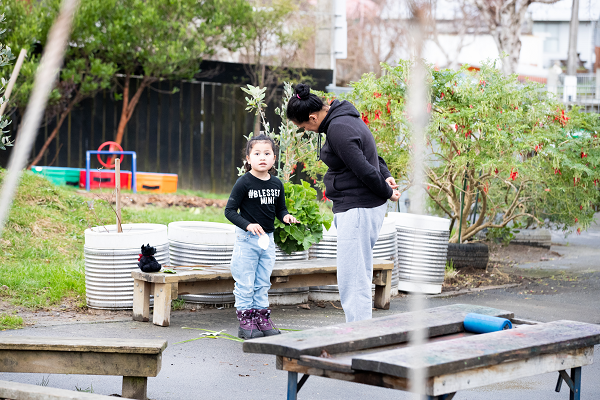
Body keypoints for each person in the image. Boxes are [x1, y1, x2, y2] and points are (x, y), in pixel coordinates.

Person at [286, 83, 400, 323]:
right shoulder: (345, 118)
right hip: (358, 206)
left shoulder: (338, 129)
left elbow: (365, 170)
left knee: (354, 276)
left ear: (313, 116)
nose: (306, 130)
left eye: (303, 125)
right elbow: (371, 154)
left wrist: (386, 190)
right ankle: (358, 331)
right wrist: (387, 174)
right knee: (356, 271)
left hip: (359, 207)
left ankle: (358, 336)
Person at [224, 134, 299, 339]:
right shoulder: (244, 183)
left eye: (267, 153)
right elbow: (229, 211)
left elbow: (280, 210)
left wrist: (286, 217)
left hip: (268, 240)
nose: (262, 157)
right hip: (247, 240)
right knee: (245, 281)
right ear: (248, 159)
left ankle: (261, 319)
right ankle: (246, 321)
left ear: (274, 159)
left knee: (263, 281)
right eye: (256, 153)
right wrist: (248, 225)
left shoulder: (276, 184)